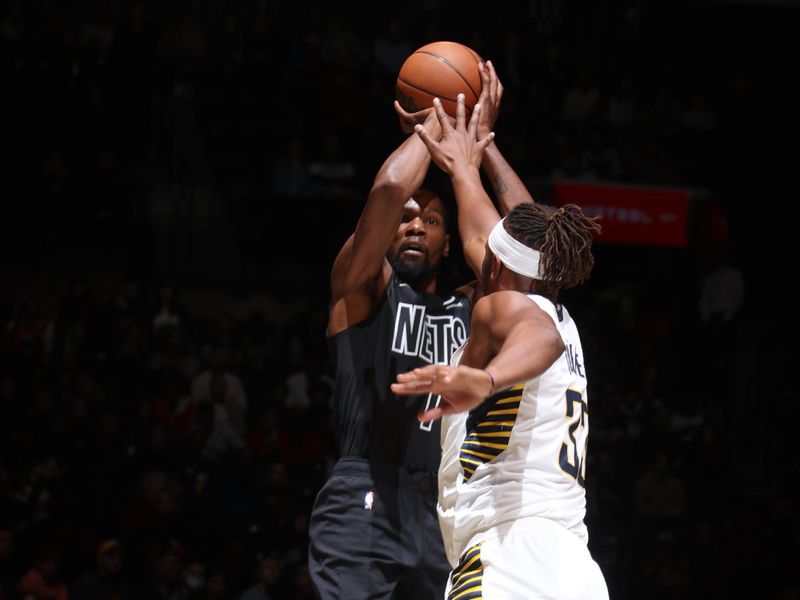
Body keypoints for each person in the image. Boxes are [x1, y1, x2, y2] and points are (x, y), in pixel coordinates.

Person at [308, 61, 532, 599]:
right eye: (406, 218)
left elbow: (530, 249)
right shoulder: (362, 289)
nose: (413, 224)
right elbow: (387, 189)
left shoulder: (472, 308)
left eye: (430, 220)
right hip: (367, 489)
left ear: (449, 243)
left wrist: (482, 146)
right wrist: (430, 126)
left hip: (444, 504)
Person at [391, 94, 609, 599]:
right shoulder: (556, 308)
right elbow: (499, 229)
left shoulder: (506, 309)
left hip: (508, 557)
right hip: (574, 566)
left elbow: (539, 338)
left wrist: (485, 378)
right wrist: (473, 155)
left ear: (493, 268)